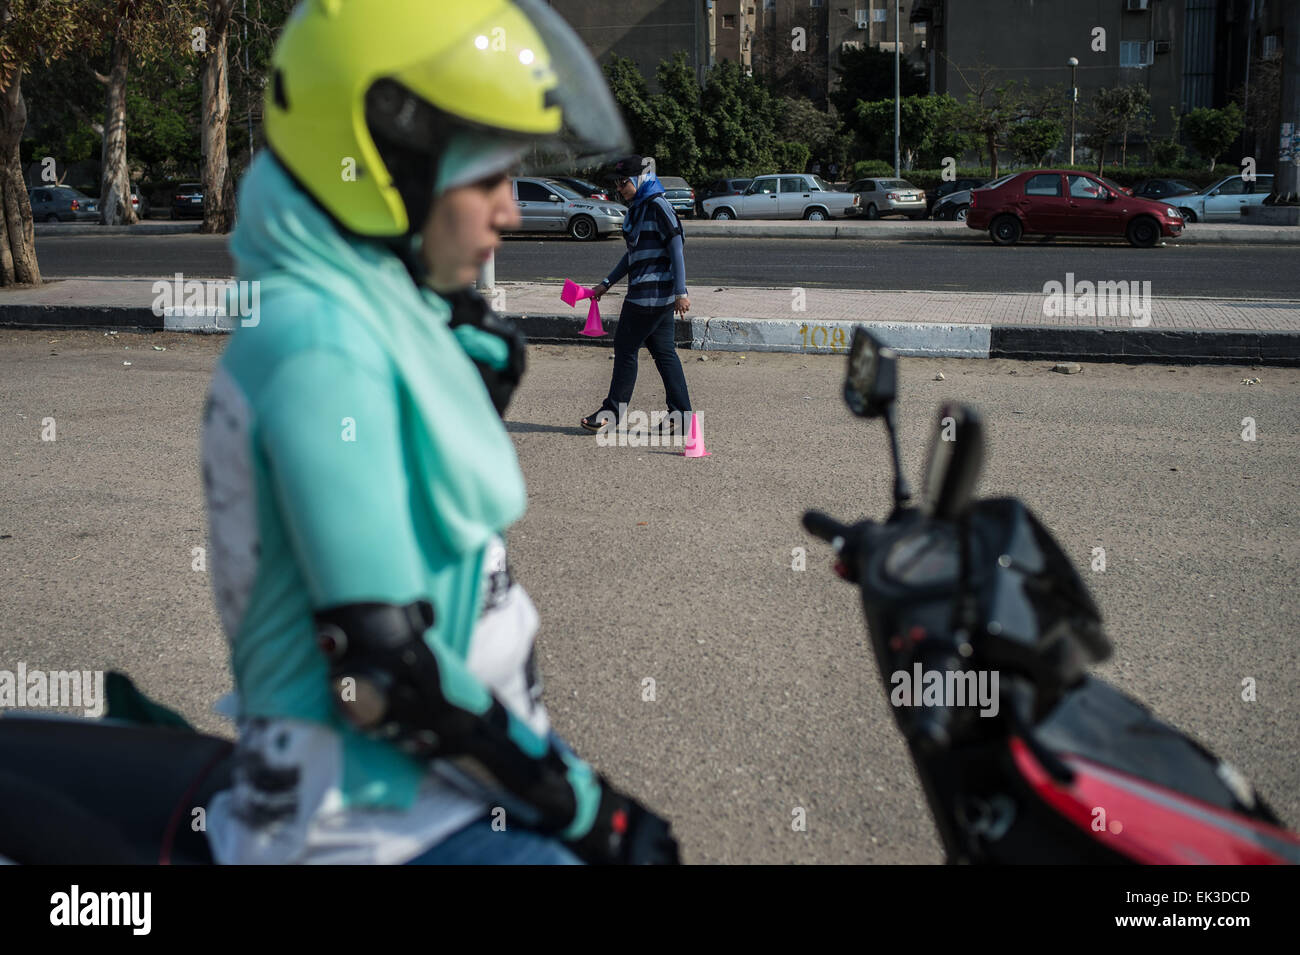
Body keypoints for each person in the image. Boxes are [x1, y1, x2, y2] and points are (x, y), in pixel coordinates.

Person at [198, 0, 678, 865]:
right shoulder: (322, 347)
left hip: (449, 789)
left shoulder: (373, 315)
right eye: (488, 177)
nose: (512, 212)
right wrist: (586, 808)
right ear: (386, 170)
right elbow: (383, 669)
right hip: (374, 826)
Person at [581, 156, 693, 436]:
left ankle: (611, 412)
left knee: (626, 349)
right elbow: (632, 255)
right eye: (617, 183)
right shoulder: (639, 208)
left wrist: (682, 291)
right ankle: (681, 416)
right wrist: (606, 283)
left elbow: (676, 246)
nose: (620, 187)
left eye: (624, 182)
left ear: (640, 180)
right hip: (648, 294)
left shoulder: (657, 206)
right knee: (664, 353)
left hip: (650, 296)